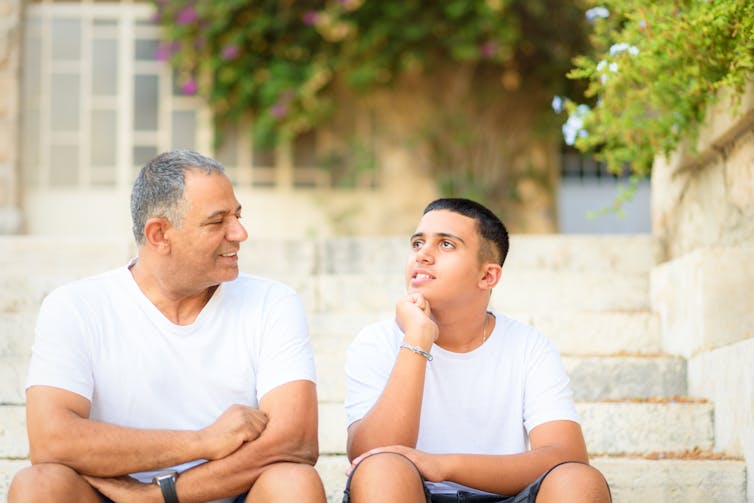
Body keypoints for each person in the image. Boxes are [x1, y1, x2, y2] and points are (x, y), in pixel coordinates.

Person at [9, 150, 326, 503]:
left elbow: (295, 440)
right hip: (112, 496)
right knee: (37, 486)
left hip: (230, 495)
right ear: (159, 234)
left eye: (237, 215)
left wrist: (160, 494)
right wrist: (202, 441)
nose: (239, 232)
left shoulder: (272, 302)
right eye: (216, 221)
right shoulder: (76, 306)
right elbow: (51, 440)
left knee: (294, 483)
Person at [342, 198, 611, 503]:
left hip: (508, 497)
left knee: (577, 481)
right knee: (381, 470)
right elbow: (371, 456)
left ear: (487, 276)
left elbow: (566, 456)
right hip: (412, 493)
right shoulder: (377, 341)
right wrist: (417, 338)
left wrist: (444, 465)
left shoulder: (528, 346)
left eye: (446, 245)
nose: (423, 255)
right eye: (418, 243)